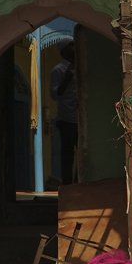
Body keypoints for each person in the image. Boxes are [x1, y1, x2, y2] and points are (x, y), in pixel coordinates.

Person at [50, 40, 78, 185]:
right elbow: (54, 94)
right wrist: (66, 80)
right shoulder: (58, 70)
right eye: (71, 46)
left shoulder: (80, 66)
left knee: (84, 154)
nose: (74, 48)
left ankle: (78, 183)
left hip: (80, 119)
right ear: (64, 51)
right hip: (66, 118)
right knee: (68, 156)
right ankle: (68, 187)